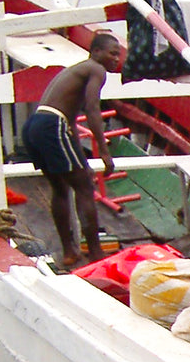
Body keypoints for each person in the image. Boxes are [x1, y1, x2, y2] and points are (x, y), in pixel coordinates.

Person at [20, 31, 123, 267]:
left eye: (118, 55)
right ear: (96, 52)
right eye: (112, 53)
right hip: (53, 125)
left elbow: (70, 123)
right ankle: (96, 255)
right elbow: (92, 108)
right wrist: (105, 152)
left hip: (35, 126)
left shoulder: (77, 70)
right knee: (85, 187)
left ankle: (70, 252)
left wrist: (83, 160)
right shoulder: (96, 69)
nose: (116, 59)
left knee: (60, 187)